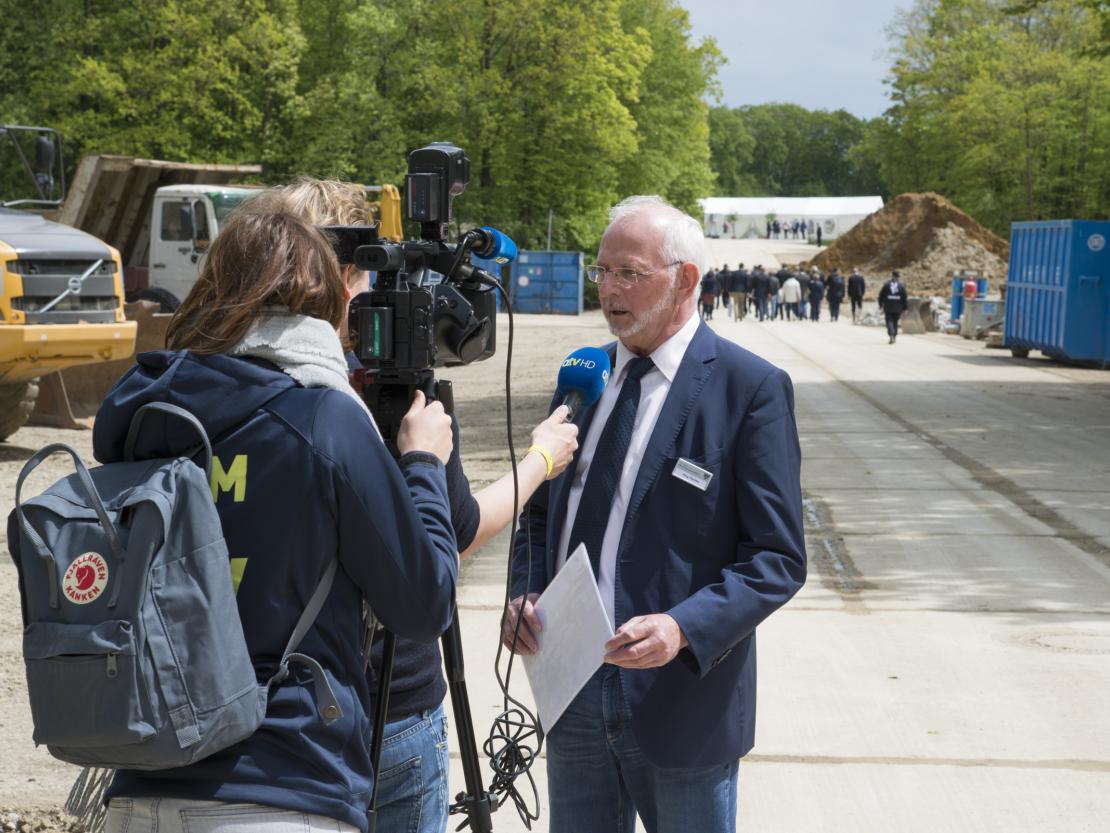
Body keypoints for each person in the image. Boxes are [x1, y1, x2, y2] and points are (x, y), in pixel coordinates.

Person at [96, 204, 461, 833]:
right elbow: (425, 603)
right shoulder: (323, 419)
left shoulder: (142, 416)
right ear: (322, 298)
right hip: (281, 785)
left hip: (138, 782)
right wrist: (423, 463)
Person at [260, 177, 579, 833]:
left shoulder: (234, 371)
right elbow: (451, 539)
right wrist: (541, 461)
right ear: (350, 272)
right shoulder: (395, 382)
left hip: (259, 704)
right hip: (391, 700)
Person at [504, 196, 806, 833]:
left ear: (685, 280)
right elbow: (539, 514)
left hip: (679, 697)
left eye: (629, 274)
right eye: (603, 272)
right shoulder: (582, 376)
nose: (610, 291)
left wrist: (683, 628)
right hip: (574, 686)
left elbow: (777, 558)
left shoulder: (748, 389)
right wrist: (524, 594)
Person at [878, 270, 909, 343]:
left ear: (892, 276)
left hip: (888, 306)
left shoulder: (886, 285)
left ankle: (891, 335)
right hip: (898, 307)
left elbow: (881, 296)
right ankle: (894, 335)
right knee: (895, 321)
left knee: (889, 321)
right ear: (898, 277)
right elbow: (904, 297)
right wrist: (905, 308)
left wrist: (880, 305)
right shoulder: (901, 285)